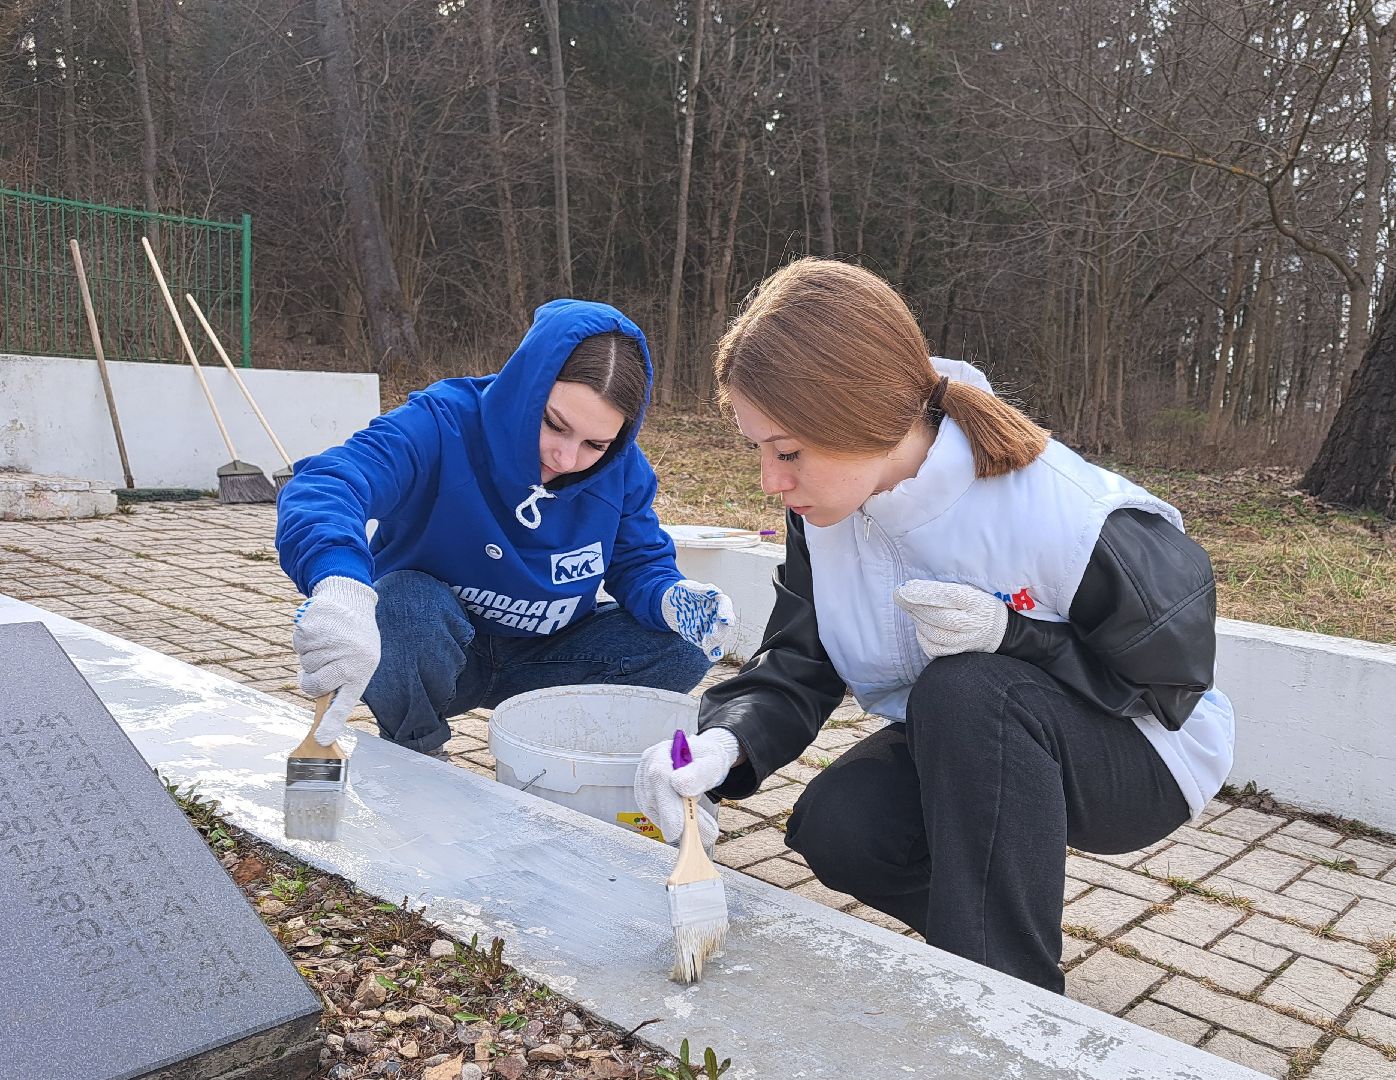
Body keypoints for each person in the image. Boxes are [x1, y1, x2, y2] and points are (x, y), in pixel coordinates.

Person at [634, 259, 1234, 992]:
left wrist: (1016, 637)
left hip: (1143, 758)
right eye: (758, 449)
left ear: (860, 417)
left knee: (966, 689)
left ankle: (1007, 1002)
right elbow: (797, 664)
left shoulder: (1062, 511)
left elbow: (1170, 686)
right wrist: (719, 747)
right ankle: (986, 937)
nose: (770, 480)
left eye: (788, 452)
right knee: (840, 825)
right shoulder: (825, 512)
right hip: (974, 738)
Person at [277, 299, 735, 756]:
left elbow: (638, 563)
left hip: (550, 659)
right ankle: (417, 752)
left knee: (682, 642)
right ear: (524, 392)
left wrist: (669, 598)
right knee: (398, 604)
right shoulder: (441, 423)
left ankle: (557, 756)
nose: (567, 459)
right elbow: (329, 483)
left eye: (596, 443)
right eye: (554, 425)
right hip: (437, 651)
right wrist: (338, 582)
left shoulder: (623, 472)